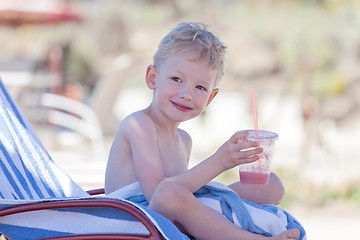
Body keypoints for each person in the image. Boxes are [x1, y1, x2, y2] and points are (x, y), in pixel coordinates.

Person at [105, 22, 301, 240]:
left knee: (271, 186)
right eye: (176, 79)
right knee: (168, 193)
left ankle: (224, 226)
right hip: (133, 220)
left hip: (172, 214)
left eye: (200, 87)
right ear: (153, 78)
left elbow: (182, 195)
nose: (187, 94)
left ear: (210, 97)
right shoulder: (139, 124)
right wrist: (220, 161)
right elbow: (156, 197)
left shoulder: (184, 140)